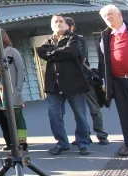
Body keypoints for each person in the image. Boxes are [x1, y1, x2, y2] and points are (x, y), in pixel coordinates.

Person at [37, 15, 91, 156]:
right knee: (54, 116)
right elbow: (41, 52)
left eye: (61, 21)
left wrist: (52, 53)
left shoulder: (74, 38)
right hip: (53, 86)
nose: (58, 23)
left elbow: (71, 51)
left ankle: (83, 142)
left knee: (80, 115)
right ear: (51, 25)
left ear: (67, 25)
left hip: (74, 84)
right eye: (55, 22)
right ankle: (61, 143)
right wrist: (58, 51)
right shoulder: (47, 40)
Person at [96, 5, 128, 156]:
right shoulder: (105, 37)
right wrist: (104, 82)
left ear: (119, 14)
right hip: (118, 82)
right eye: (105, 16)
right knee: (126, 115)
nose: (108, 18)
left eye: (110, 14)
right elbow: (103, 62)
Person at [64, 17, 109, 146]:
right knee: (78, 112)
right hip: (73, 82)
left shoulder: (80, 39)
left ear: (71, 27)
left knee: (94, 109)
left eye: (64, 25)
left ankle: (101, 135)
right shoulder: (61, 41)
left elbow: (79, 58)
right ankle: (84, 136)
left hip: (86, 79)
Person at [0, 30, 28, 152]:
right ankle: (13, 142)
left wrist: (18, 88)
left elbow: (20, 69)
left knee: (18, 117)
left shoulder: (13, 52)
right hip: (0, 93)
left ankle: (22, 142)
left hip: (13, 91)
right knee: (8, 119)